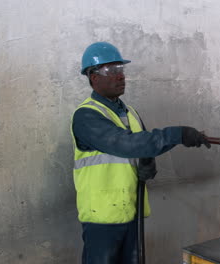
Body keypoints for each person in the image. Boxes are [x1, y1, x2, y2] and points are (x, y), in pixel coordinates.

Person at [71, 42, 210, 264]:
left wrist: (148, 163)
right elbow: (124, 144)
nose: (120, 76)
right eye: (111, 71)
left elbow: (143, 144)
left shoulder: (131, 113)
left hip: (130, 209)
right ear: (93, 77)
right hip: (103, 216)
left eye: (121, 69)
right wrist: (178, 134)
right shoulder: (87, 116)